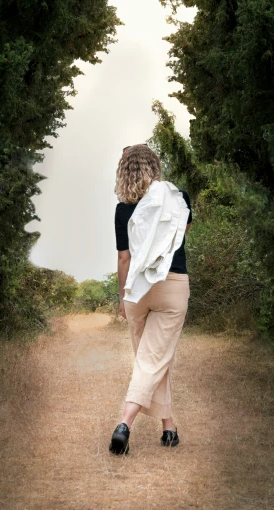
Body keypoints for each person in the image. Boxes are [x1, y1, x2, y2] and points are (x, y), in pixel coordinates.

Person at [108, 144, 192, 455]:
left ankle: (168, 428)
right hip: (172, 284)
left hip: (138, 290)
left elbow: (124, 259)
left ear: (123, 172)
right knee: (155, 359)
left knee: (153, 359)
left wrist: (122, 297)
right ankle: (125, 424)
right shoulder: (178, 198)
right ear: (154, 166)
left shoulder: (122, 210)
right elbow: (179, 234)